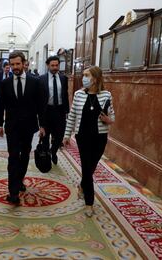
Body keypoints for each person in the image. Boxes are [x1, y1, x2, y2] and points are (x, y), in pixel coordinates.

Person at [63, 66, 115, 217]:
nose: (83, 78)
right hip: (83, 136)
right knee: (86, 167)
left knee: (91, 166)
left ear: (95, 78)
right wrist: (66, 135)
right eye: (83, 75)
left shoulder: (106, 95)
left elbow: (113, 117)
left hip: (100, 137)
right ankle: (89, 203)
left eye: (87, 75)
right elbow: (72, 116)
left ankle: (82, 185)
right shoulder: (79, 94)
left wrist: (108, 120)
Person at [0, 51, 46, 205]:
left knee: (24, 157)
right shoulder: (5, 83)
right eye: (12, 64)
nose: (15, 67)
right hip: (12, 127)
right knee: (13, 157)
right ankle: (13, 192)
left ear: (24, 63)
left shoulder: (35, 82)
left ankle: (19, 181)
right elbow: (0, 105)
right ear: (9, 65)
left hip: (29, 127)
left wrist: (42, 125)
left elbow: (41, 105)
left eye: (18, 64)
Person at [39, 55, 69, 165]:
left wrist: (67, 111)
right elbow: (39, 97)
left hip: (60, 111)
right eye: (52, 65)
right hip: (46, 111)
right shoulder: (41, 79)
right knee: (45, 137)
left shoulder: (63, 78)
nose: (55, 67)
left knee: (59, 136)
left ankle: (54, 151)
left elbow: (65, 95)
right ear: (48, 65)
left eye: (57, 65)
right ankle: (46, 155)